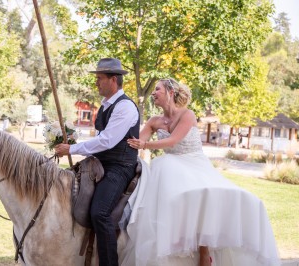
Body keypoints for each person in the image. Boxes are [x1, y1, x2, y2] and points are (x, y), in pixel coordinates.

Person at [122, 78, 280, 266]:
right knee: (168, 187)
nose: (154, 93)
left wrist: (146, 145)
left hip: (194, 163)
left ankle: (205, 251)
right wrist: (128, 142)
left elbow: (173, 141)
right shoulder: (154, 121)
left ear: (170, 93)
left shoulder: (187, 115)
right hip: (171, 165)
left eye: (158, 89)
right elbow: (137, 142)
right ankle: (174, 245)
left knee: (205, 195)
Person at [55, 58, 140, 266]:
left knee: (100, 213)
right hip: (99, 163)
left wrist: (72, 149)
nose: (96, 82)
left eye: (100, 78)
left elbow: (107, 141)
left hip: (120, 167)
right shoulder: (105, 106)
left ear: (113, 80)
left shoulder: (125, 107)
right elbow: (100, 140)